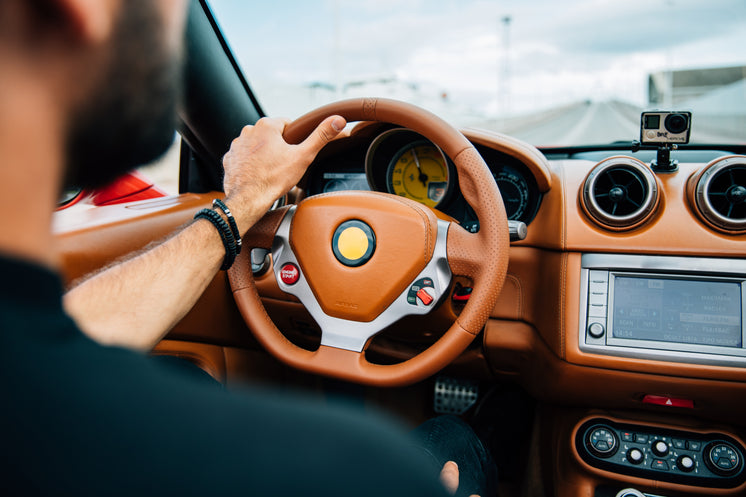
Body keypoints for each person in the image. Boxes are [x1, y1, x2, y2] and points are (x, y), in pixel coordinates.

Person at [0, 1, 495, 495]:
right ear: (85, 9)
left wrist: (243, 203)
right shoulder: (374, 473)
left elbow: (77, 333)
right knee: (453, 437)